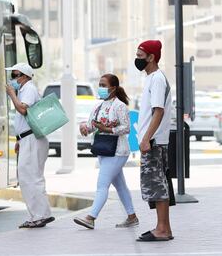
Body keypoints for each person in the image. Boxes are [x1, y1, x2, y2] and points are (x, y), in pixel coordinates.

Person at [73, 74, 138, 230]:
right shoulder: (98, 106)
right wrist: (85, 128)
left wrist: (107, 129)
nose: (100, 88)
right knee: (120, 186)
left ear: (113, 88)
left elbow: (126, 128)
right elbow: (91, 126)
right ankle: (132, 217)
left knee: (102, 185)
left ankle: (91, 218)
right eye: (99, 85)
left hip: (117, 151)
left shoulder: (120, 106)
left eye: (103, 85)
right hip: (103, 150)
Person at [5, 63, 55, 228]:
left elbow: (23, 109)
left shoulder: (28, 89)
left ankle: (39, 215)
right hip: (28, 139)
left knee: (30, 178)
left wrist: (12, 94)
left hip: (32, 139)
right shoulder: (25, 89)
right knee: (31, 177)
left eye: (15, 75)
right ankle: (39, 214)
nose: (12, 79)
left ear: (25, 76)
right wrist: (19, 139)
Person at [135, 40, 173, 242]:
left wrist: (147, 139)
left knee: (157, 185)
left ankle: (162, 229)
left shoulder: (157, 79)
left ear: (151, 57)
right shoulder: (151, 78)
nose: (137, 60)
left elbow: (158, 111)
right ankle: (163, 227)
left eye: (140, 56)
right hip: (154, 140)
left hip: (154, 141)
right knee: (158, 184)